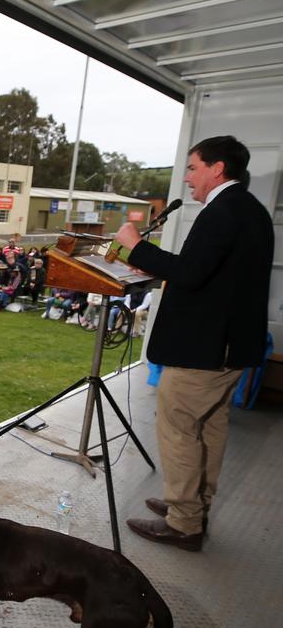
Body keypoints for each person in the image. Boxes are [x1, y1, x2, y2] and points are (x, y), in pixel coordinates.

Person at [113, 135, 274, 551]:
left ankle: (184, 523)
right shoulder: (250, 210)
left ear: (217, 169)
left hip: (205, 352)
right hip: (230, 349)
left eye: (192, 168)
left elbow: (189, 273)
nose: (187, 178)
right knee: (211, 428)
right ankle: (192, 506)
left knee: (180, 430)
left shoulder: (223, 212)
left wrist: (136, 247)